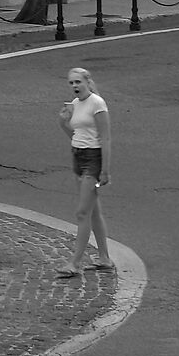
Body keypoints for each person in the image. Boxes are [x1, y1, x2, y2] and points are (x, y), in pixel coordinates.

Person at [56, 66, 114, 278]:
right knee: (93, 210)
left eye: (78, 82)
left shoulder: (97, 103)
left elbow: (106, 137)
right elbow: (74, 134)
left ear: (88, 82)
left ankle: (75, 262)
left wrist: (105, 170)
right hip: (78, 155)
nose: (74, 86)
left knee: (82, 212)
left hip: (93, 158)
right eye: (71, 83)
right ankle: (104, 258)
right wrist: (62, 121)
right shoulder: (74, 105)